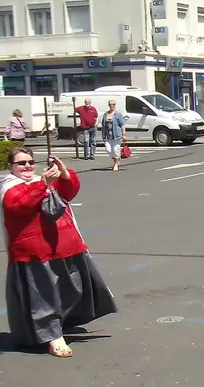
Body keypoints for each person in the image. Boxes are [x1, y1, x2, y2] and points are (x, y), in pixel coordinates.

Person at [1, 147, 117, 357]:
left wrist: (65, 175)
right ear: (10, 167)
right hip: (35, 253)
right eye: (21, 163)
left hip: (66, 245)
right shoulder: (10, 187)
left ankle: (59, 324)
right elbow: (18, 205)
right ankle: (53, 337)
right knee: (43, 299)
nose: (27, 166)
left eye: (30, 162)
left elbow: (67, 193)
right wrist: (42, 183)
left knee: (72, 290)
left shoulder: (41, 180)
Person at [100, 100, 126, 172]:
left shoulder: (118, 114)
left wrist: (124, 134)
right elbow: (103, 125)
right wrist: (103, 134)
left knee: (115, 150)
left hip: (116, 135)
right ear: (108, 105)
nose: (112, 106)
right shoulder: (105, 114)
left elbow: (122, 125)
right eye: (110, 104)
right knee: (108, 150)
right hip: (108, 135)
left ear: (115, 105)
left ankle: (116, 163)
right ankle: (116, 159)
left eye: (113, 104)